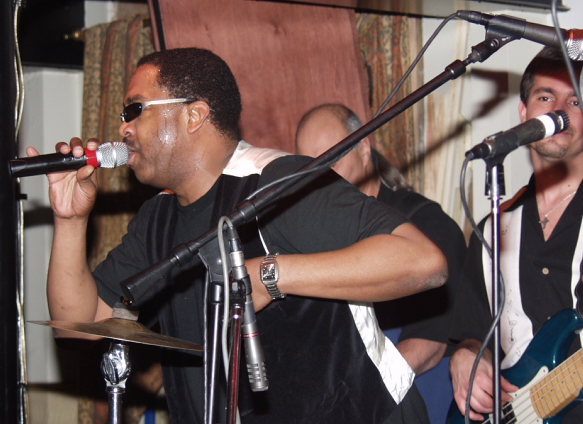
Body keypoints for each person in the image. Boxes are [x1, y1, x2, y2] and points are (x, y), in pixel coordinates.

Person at [32, 47, 448, 424]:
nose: (123, 128)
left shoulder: (277, 182)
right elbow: (78, 327)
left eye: (134, 110)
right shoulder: (156, 220)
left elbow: (422, 261)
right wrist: (70, 220)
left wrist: (270, 274)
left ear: (194, 115)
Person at [295, 103, 467, 423]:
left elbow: (429, 344)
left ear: (364, 149)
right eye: (311, 167)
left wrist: (358, 397)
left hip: (418, 391)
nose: (320, 178)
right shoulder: (313, 237)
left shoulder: (426, 226)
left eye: (332, 161)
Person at [449, 46, 583, 424]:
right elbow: (474, 332)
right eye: (546, 97)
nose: (559, 110)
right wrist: (466, 356)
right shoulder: (493, 229)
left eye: (575, 101)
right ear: (524, 113)